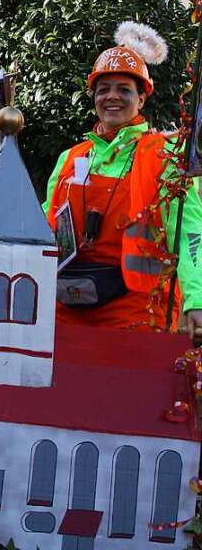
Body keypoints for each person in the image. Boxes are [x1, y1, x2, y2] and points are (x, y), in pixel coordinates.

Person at [43, 21, 202, 333]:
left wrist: (196, 299)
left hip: (137, 309)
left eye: (124, 90)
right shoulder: (71, 158)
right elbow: (43, 229)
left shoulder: (166, 154)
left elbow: (190, 230)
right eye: (103, 89)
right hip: (64, 304)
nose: (112, 97)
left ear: (141, 99)